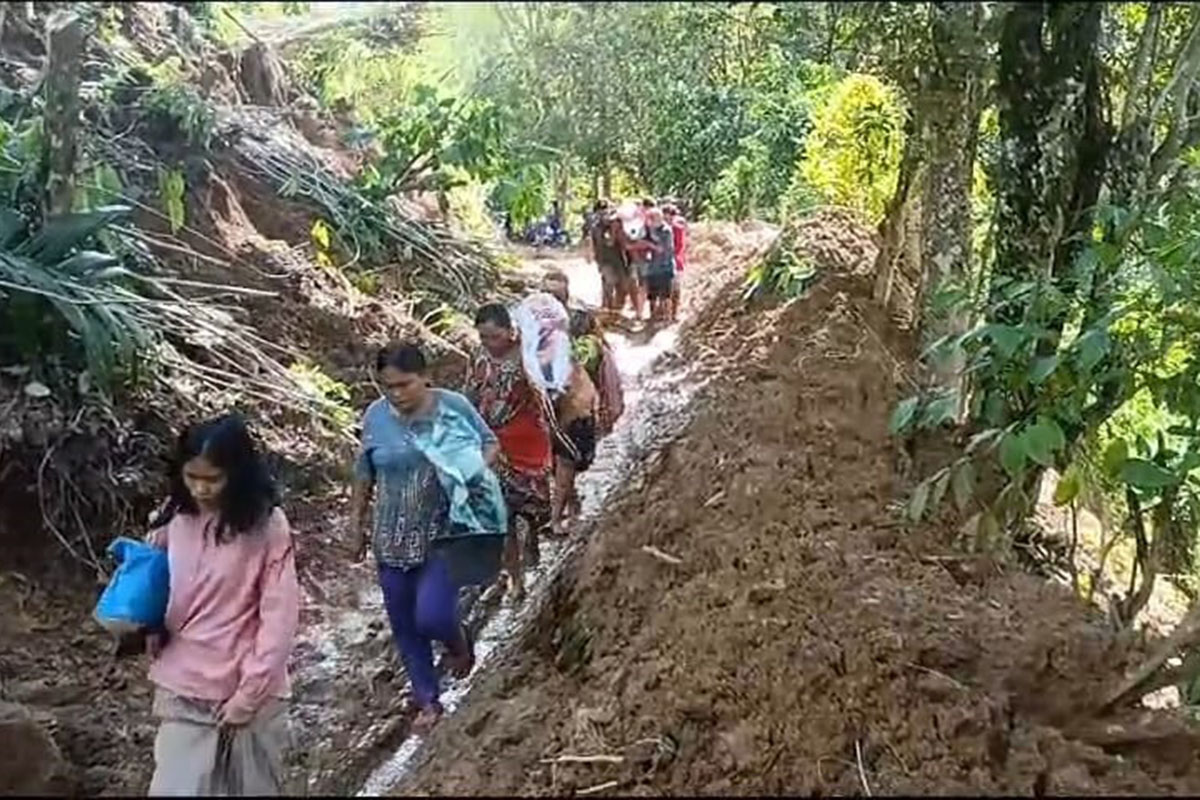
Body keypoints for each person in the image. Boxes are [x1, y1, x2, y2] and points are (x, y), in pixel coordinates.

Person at [350, 343, 508, 734]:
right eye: (389, 387)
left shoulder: (452, 407)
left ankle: (457, 642)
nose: (397, 394)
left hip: (443, 531)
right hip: (390, 536)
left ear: (425, 378)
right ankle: (428, 699)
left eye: (405, 385)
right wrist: (357, 523)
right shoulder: (375, 417)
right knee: (404, 624)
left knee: (433, 614)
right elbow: (364, 471)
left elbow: (490, 444)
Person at [144, 414, 299, 796]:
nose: (200, 489)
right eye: (192, 477)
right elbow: (152, 587)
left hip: (250, 691)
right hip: (184, 688)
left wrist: (250, 695)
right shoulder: (173, 519)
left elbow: (279, 617)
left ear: (238, 473)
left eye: (212, 479)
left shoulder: (267, 526)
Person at [465, 304, 567, 601]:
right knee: (500, 513)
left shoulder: (529, 357)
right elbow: (471, 391)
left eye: (494, 337)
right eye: (483, 337)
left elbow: (549, 397)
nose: (489, 344)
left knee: (531, 504)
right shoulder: (479, 357)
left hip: (527, 441)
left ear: (511, 332)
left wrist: (557, 433)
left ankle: (532, 536)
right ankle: (513, 577)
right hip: (491, 442)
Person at [569, 307, 624, 438]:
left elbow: (580, 360)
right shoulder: (597, 343)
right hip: (592, 404)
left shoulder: (589, 344)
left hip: (589, 407)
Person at [643, 207, 677, 322]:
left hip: (665, 268)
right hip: (652, 269)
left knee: (665, 296)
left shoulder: (666, 231)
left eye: (652, 218)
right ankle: (653, 318)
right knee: (652, 296)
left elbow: (662, 249)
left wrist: (648, 244)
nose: (649, 221)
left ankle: (666, 318)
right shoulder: (648, 230)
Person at [664, 203, 689, 322]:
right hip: (671, 262)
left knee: (672, 289)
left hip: (673, 261)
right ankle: (670, 314)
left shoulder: (676, 228)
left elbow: (679, 246)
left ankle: (671, 314)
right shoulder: (677, 227)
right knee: (670, 289)